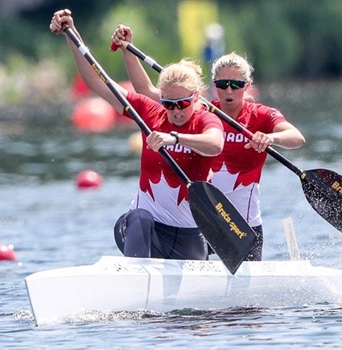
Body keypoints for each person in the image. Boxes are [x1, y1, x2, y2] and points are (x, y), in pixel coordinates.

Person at [111, 24, 306, 261]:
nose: (229, 90)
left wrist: (270, 138)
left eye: (237, 84)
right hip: (202, 219)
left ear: (248, 85)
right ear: (214, 85)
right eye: (223, 84)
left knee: (244, 299)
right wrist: (127, 49)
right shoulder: (200, 110)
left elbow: (296, 137)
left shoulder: (261, 116)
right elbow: (147, 92)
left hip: (240, 226)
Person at [50, 10, 225, 261]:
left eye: (182, 104)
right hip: (144, 229)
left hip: (189, 235)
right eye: (168, 103)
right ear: (160, 97)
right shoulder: (150, 113)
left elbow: (215, 145)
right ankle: (133, 275)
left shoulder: (206, 119)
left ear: (196, 98)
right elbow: (97, 81)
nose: (175, 110)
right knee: (138, 217)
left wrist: (174, 138)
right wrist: (71, 33)